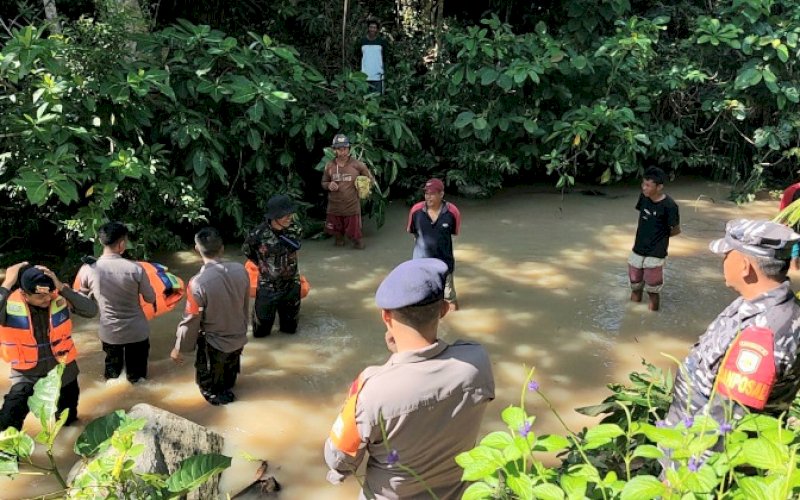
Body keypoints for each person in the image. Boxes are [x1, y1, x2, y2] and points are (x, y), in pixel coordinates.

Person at [324, 258, 495, 499]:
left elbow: (339, 460)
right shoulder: (477, 363)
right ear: (444, 310)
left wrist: (393, 362)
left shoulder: (371, 390)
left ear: (386, 316)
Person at [661, 219, 800, 471]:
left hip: (700, 464)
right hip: (686, 440)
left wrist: (680, 476)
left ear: (745, 266)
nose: (723, 260)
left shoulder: (764, 335)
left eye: (727, 254)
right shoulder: (756, 304)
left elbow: (725, 422)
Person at [0, 263, 97, 431]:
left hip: (63, 372)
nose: (47, 299)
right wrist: (7, 283)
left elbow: (91, 311)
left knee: (68, 423)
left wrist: (61, 287)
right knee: (8, 424)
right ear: (25, 294)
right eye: (40, 297)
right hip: (27, 375)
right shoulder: (8, 306)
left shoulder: (59, 296)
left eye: (49, 294)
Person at [171, 227, 250, 406]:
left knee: (211, 393)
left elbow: (191, 320)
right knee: (229, 385)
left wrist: (179, 347)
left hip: (214, 346)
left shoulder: (198, 283)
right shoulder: (241, 270)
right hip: (238, 340)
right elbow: (245, 305)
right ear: (222, 248)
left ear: (197, 249)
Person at [76, 222, 157, 383]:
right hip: (136, 332)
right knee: (138, 380)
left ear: (101, 241)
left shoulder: (88, 270)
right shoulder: (135, 269)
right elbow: (150, 298)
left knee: (112, 378)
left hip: (110, 333)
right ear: (121, 244)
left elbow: (83, 302)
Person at [242, 194, 303, 338]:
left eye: (290, 213)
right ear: (274, 216)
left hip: (291, 285)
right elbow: (247, 251)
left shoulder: (296, 229)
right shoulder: (258, 234)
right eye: (284, 214)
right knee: (261, 333)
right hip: (267, 287)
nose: (289, 217)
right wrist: (264, 266)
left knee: (290, 330)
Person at [628, 166, 680, 311]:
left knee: (652, 289)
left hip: (656, 252)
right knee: (635, 285)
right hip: (638, 248)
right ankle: (632, 314)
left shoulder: (670, 206)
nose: (644, 188)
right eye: (643, 184)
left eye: (648, 185)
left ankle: (653, 314)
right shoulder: (643, 197)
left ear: (659, 187)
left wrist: (660, 238)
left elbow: (676, 230)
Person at [407, 178, 462, 311]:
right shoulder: (416, 211)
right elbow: (413, 232)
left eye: (432, 194)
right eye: (426, 193)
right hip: (421, 264)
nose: (428, 197)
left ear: (441, 194)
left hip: (445, 263)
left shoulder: (452, 212)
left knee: (450, 302)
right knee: (420, 300)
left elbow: (453, 232)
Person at [321, 133, 374, 250]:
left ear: (349, 149)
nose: (343, 152)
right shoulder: (329, 166)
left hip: (351, 208)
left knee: (358, 242)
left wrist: (365, 186)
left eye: (345, 148)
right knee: (338, 241)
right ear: (334, 150)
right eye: (339, 149)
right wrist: (329, 185)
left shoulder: (357, 165)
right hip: (334, 208)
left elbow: (370, 179)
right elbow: (323, 183)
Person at [359, 20, 388, 94]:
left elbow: (385, 58)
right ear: (368, 28)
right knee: (364, 98)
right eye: (371, 27)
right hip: (364, 76)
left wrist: (384, 72)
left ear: (377, 30)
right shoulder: (362, 41)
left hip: (378, 76)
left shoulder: (381, 42)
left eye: (374, 28)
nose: (372, 29)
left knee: (377, 98)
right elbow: (359, 56)